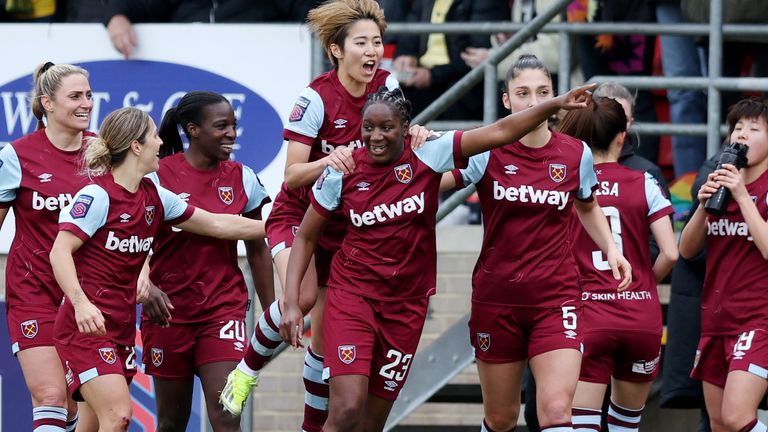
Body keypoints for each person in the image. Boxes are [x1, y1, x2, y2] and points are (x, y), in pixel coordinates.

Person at [280, 80, 597, 431]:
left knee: (371, 422)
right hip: (352, 297)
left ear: (406, 128)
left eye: (386, 127)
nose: (376, 137)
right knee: (347, 409)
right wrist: (292, 301)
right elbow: (307, 236)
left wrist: (555, 105)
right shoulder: (343, 171)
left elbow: (502, 129)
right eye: (368, 128)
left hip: (406, 307)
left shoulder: (430, 154)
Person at [219, 2, 428, 429]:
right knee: (303, 297)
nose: (373, 51)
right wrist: (332, 160)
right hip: (298, 215)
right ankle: (245, 371)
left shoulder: (388, 86)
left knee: (324, 348)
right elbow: (293, 175)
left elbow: (399, 145)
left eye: (377, 42)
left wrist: (419, 135)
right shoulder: (315, 97)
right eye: (362, 43)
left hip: (347, 226)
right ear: (336, 50)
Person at [441, 54, 632, 432]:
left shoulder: (575, 153)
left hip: (556, 299)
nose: (533, 102)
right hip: (497, 300)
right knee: (501, 418)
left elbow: (588, 205)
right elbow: (427, 185)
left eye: (543, 92)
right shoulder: (486, 149)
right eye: (523, 93)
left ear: (554, 96)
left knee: (558, 411)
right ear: (507, 100)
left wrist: (612, 249)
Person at [48, 107, 268, 431]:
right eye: (153, 135)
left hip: (119, 329)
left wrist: (285, 224)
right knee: (119, 415)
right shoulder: (98, 196)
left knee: (93, 423)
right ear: (136, 146)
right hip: (85, 327)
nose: (160, 141)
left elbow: (219, 224)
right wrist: (80, 302)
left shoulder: (156, 197)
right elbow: (59, 252)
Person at [133, 91, 273, 431]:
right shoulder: (156, 177)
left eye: (234, 126)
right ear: (193, 130)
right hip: (167, 312)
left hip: (222, 309)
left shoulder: (243, 178)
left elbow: (258, 247)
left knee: (226, 415)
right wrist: (145, 286)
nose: (232, 134)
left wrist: (273, 312)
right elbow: (134, 243)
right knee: (171, 422)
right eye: (221, 126)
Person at [558, 97, 678, 431]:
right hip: (641, 316)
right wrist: (641, 283)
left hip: (589, 314)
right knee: (626, 424)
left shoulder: (571, 185)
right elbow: (671, 253)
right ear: (621, 137)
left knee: (581, 424)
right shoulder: (645, 182)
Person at [0, 62, 95, 432]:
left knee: (76, 408)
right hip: (33, 290)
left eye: (88, 94)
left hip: (89, 296)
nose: (86, 103)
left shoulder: (104, 153)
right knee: (51, 396)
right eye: (75, 96)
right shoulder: (16, 156)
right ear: (48, 104)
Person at [679, 97, 768, 432]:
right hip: (716, 318)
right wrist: (703, 207)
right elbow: (687, 251)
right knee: (719, 424)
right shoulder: (718, 179)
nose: (741, 135)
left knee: (736, 417)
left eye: (753, 128)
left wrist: (743, 196)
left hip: (758, 320)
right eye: (737, 127)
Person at [391, 0, 510, 120]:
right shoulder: (423, 2)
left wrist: (432, 76)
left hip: (463, 84)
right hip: (423, 79)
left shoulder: (486, 3)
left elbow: (475, 59)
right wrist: (405, 56)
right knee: (387, 97)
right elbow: (407, 40)